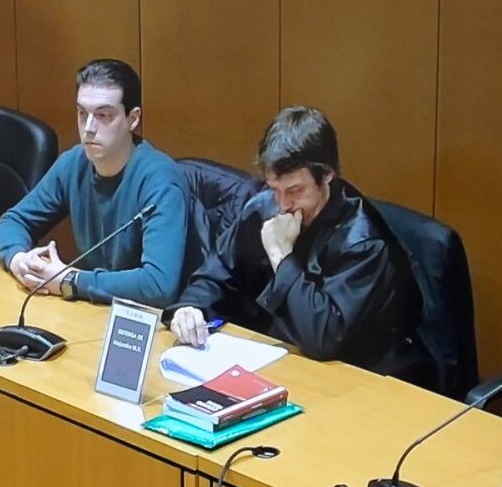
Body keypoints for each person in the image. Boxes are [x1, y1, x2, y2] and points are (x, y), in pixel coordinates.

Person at [168, 107, 426, 374]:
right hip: (276, 360)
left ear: (326, 175)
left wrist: (281, 257)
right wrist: (191, 308)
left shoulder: (364, 243)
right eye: (274, 189)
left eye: (294, 190)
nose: (282, 204)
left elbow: (323, 339)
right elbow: (217, 272)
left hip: (359, 373)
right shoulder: (264, 209)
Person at [0, 59, 193, 308]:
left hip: (148, 320)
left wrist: (70, 281)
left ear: (133, 119)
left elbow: (158, 286)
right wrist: (18, 259)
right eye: (82, 113)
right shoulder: (74, 163)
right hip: (92, 309)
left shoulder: (159, 180)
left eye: (103, 115)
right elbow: (14, 220)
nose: (88, 128)